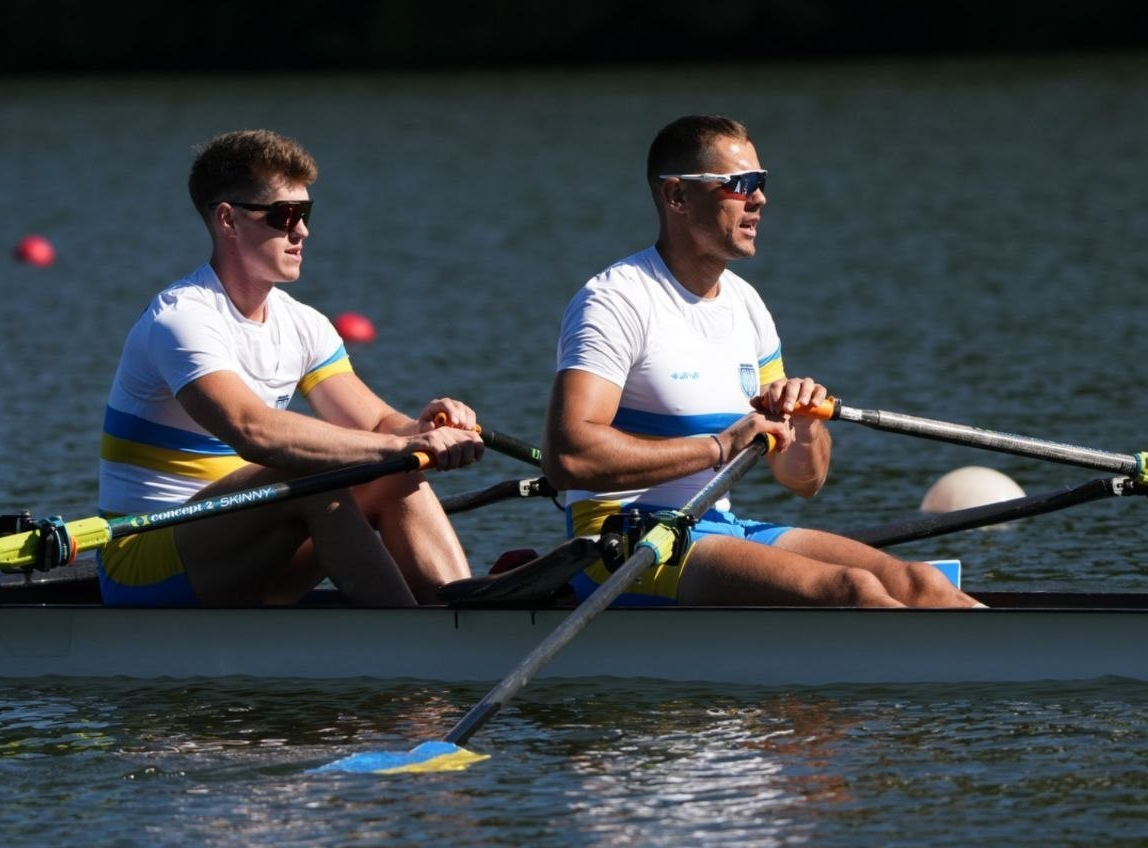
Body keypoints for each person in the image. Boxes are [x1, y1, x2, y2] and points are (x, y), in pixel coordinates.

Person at [542, 114, 981, 608]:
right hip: (619, 544)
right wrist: (719, 446)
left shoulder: (747, 305)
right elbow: (569, 457)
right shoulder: (615, 301)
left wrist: (806, 423)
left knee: (924, 585)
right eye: (740, 184)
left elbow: (803, 480)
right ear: (677, 197)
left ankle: (1011, 680)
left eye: (762, 182)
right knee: (851, 590)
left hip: (719, 527)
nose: (760, 198)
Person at [97, 129, 484, 607]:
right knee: (312, 470)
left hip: (240, 546)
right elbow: (251, 430)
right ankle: (415, 644)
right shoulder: (181, 319)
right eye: (285, 216)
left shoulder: (304, 324)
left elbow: (379, 425)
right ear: (227, 220)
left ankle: (459, 610)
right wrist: (398, 446)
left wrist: (425, 429)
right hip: (143, 562)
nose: (302, 231)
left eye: (306, 213)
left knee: (394, 473)